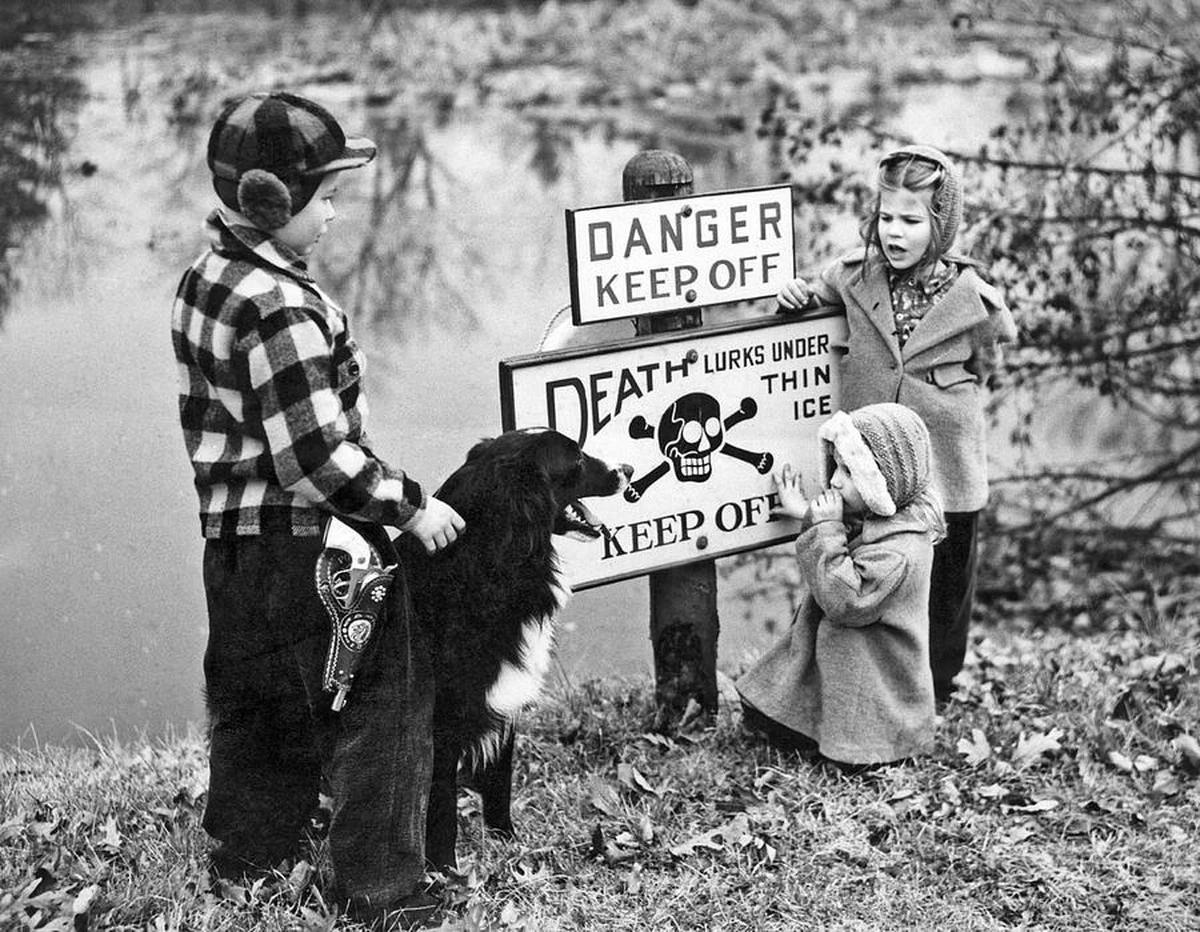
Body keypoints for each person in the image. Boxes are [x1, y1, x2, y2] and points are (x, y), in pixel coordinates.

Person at [171, 91, 463, 928]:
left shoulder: (206, 278)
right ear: (272, 201)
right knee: (383, 700)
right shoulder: (283, 307)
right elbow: (313, 458)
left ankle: (250, 850)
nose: (334, 213)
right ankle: (383, 889)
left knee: (253, 694)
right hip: (312, 548)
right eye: (326, 197)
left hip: (234, 545)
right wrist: (410, 507)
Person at [775, 144, 1017, 703]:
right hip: (871, 466)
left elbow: (987, 366)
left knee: (945, 580)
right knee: (865, 566)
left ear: (942, 224)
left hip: (947, 465)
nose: (894, 232)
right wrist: (795, 293)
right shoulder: (854, 278)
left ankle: (938, 684)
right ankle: (862, 681)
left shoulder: (972, 298)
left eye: (911, 220)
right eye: (887, 217)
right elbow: (814, 294)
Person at [736, 403, 945, 766]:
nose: (834, 480)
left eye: (849, 471)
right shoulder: (888, 520)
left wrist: (824, 528)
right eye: (835, 466)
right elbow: (855, 534)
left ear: (883, 482)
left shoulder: (899, 553)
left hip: (875, 677)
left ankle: (868, 749)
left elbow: (845, 602)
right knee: (765, 715)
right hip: (845, 663)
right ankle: (800, 723)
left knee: (853, 755)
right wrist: (807, 513)